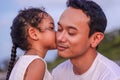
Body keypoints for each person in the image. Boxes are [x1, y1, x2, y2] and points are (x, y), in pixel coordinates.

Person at [52, 0, 120, 80]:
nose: (60, 38)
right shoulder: (58, 72)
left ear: (95, 39)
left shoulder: (111, 76)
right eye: (59, 29)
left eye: (71, 32)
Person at [6, 7, 56, 80]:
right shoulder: (37, 63)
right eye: (51, 28)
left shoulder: (22, 63)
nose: (57, 33)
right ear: (33, 34)